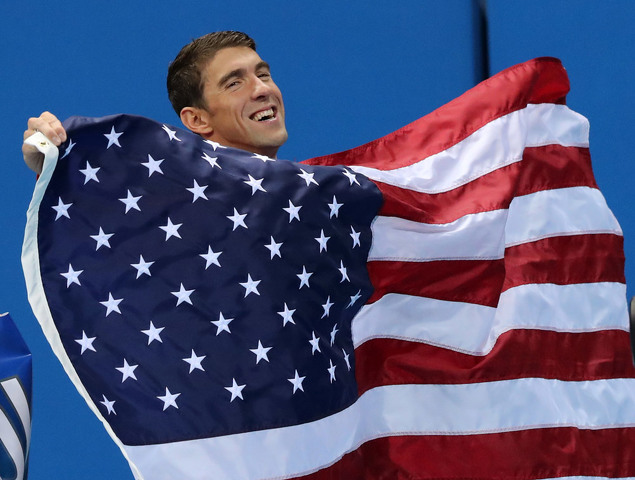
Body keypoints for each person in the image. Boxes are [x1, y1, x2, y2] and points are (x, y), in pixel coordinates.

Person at [22, 31, 288, 173]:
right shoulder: (166, 204)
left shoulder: (321, 198)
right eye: (234, 83)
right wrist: (56, 168)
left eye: (263, 74)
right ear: (196, 119)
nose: (262, 89)